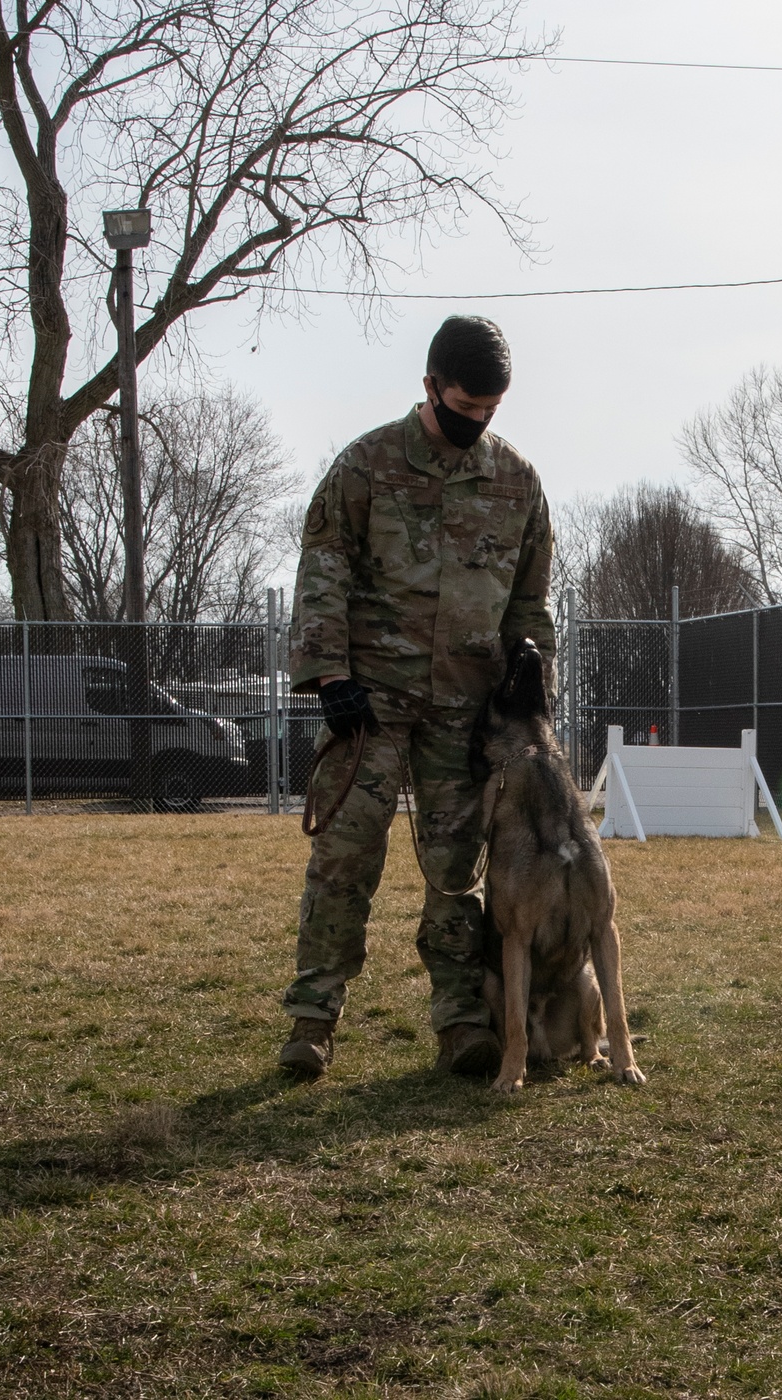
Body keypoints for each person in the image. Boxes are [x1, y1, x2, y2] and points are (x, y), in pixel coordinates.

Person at [279, 315, 555, 1079]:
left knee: (457, 871)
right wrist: (329, 676)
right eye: (465, 409)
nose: (476, 424)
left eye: (489, 414)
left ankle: (463, 1022)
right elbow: (322, 571)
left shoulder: (517, 483)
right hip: (369, 703)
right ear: (430, 385)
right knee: (344, 857)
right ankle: (311, 1021)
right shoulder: (365, 467)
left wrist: (534, 690)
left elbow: (531, 604)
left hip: (467, 715)